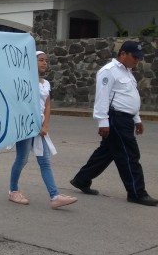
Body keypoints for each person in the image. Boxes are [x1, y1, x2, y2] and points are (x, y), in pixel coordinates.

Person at [70, 41, 157, 206]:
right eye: (134, 57)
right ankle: (137, 193)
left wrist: (137, 119)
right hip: (116, 118)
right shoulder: (109, 71)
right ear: (123, 53)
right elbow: (102, 97)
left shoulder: (127, 72)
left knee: (107, 152)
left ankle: (81, 179)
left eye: (139, 58)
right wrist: (103, 121)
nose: (137, 61)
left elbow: (129, 97)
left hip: (126, 118)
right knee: (129, 155)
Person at [8, 51, 77, 209]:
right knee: (22, 159)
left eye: (46, 60)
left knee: (45, 161)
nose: (44, 63)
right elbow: (21, 103)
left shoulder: (46, 83)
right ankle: (13, 190)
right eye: (40, 60)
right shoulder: (24, 80)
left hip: (40, 127)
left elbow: (47, 106)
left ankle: (55, 196)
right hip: (26, 125)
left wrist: (45, 126)